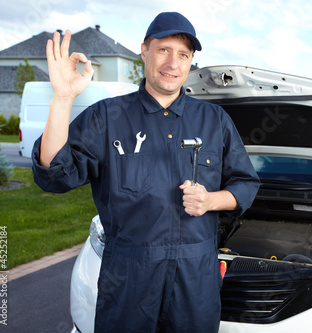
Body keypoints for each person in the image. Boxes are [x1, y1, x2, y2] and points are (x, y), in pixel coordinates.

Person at [32, 12, 260, 333]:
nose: (173, 63)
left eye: (183, 54)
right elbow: (54, 175)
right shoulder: (108, 117)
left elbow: (246, 184)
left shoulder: (215, 120)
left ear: (191, 61)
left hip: (195, 281)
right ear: (144, 51)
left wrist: (211, 200)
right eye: (164, 50)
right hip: (128, 279)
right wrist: (63, 97)